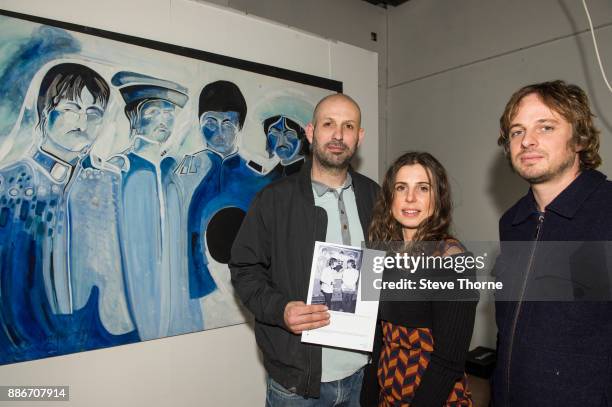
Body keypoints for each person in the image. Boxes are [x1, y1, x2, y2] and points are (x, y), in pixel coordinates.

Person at [230, 93, 380, 405]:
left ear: (359, 136)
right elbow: (245, 269)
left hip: (361, 374)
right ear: (311, 132)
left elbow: (386, 267)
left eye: (348, 126)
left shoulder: (375, 196)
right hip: (297, 383)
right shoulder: (274, 199)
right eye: (329, 124)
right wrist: (280, 310)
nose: (338, 135)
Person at [0, 62, 139, 363]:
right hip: (23, 344)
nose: (82, 121)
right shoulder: (11, 182)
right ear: (44, 112)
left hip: (97, 338)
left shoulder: (104, 182)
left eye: (94, 113)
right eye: (70, 109)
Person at [491, 80, 612, 406]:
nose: (527, 140)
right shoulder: (512, 223)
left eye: (545, 127)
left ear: (579, 139)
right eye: (517, 132)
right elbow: (509, 333)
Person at [361, 151, 477, 407]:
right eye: (401, 187)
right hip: (387, 393)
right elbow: (379, 336)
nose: (410, 198)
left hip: (434, 398)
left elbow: (449, 363)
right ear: (390, 197)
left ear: (438, 197)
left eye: (423, 188)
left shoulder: (453, 260)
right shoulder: (383, 251)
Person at [111, 71, 202, 340]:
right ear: (134, 116)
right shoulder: (120, 167)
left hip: (177, 290)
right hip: (135, 286)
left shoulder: (173, 168)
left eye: (169, 112)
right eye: (153, 111)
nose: (164, 120)